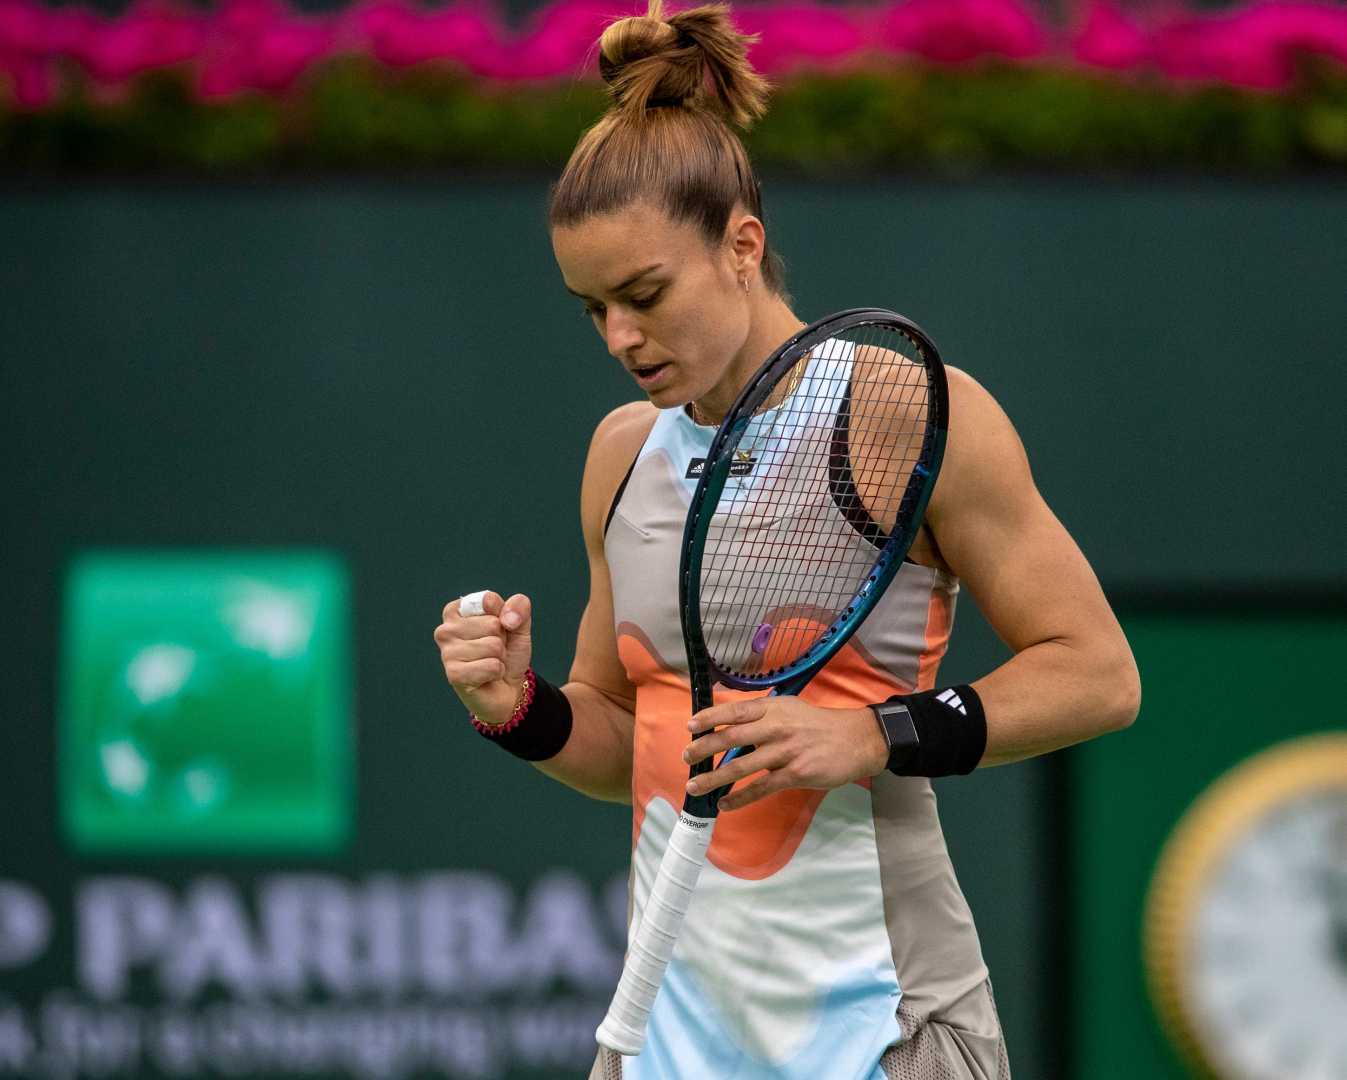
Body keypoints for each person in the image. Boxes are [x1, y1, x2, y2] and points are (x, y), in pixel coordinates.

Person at [432, 2, 1140, 1076]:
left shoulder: (899, 414)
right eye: (592, 310)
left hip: (885, 1027)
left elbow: (1099, 676)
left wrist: (868, 737)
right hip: (671, 1035)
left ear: (742, 247)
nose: (622, 337)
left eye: (644, 294)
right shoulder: (622, 455)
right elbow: (634, 746)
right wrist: (519, 711)